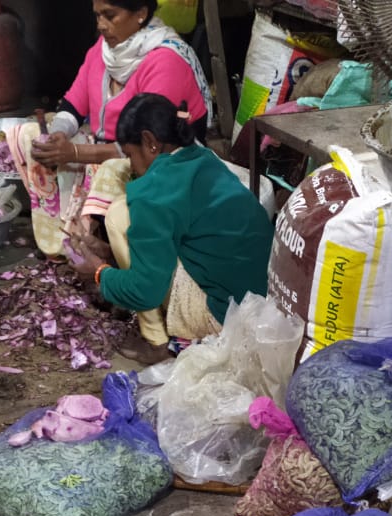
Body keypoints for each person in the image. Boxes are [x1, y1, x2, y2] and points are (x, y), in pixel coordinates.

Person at [71, 93, 274, 364]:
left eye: (130, 155)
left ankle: (156, 343)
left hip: (227, 316)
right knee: (129, 216)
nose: (131, 165)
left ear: (150, 143)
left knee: (119, 214)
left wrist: (98, 272)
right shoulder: (203, 157)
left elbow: (146, 291)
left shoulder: (154, 192)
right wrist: (109, 253)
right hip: (265, 301)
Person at [6, 0, 211, 255]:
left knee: (114, 168)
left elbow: (150, 144)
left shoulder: (166, 60)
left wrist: (75, 153)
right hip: (106, 146)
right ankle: (60, 239)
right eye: (97, 16)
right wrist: (58, 134)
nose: (101, 25)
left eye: (110, 16)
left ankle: (107, 247)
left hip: (158, 155)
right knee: (31, 134)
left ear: (141, 14)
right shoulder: (102, 52)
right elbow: (73, 105)